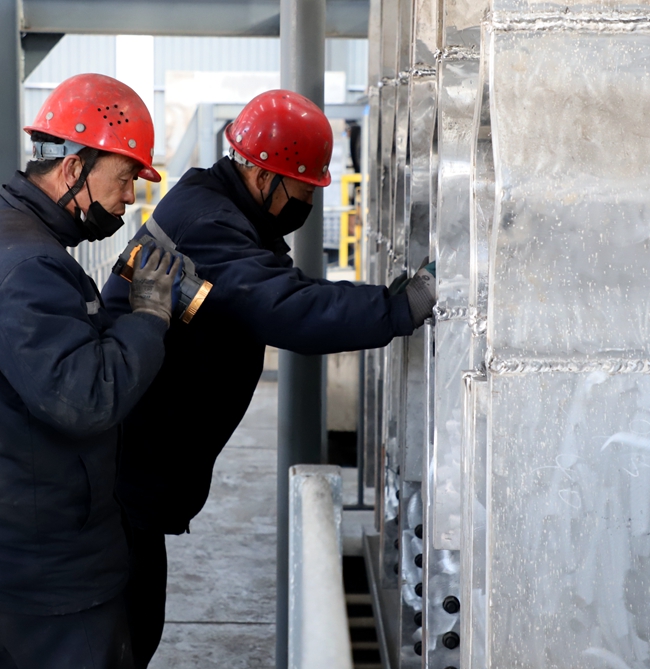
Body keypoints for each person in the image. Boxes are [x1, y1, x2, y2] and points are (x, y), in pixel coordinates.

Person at [100, 89, 437, 667]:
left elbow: (286, 289)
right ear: (263, 176)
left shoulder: (224, 212)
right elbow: (286, 307)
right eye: (303, 189)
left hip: (135, 467)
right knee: (121, 636)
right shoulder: (210, 223)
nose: (307, 202)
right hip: (123, 473)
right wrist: (397, 309)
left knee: (133, 628)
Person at [0, 73, 181, 669]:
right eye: (124, 178)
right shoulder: (31, 266)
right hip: (40, 557)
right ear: (73, 169)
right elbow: (86, 397)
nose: (129, 199)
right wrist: (149, 316)